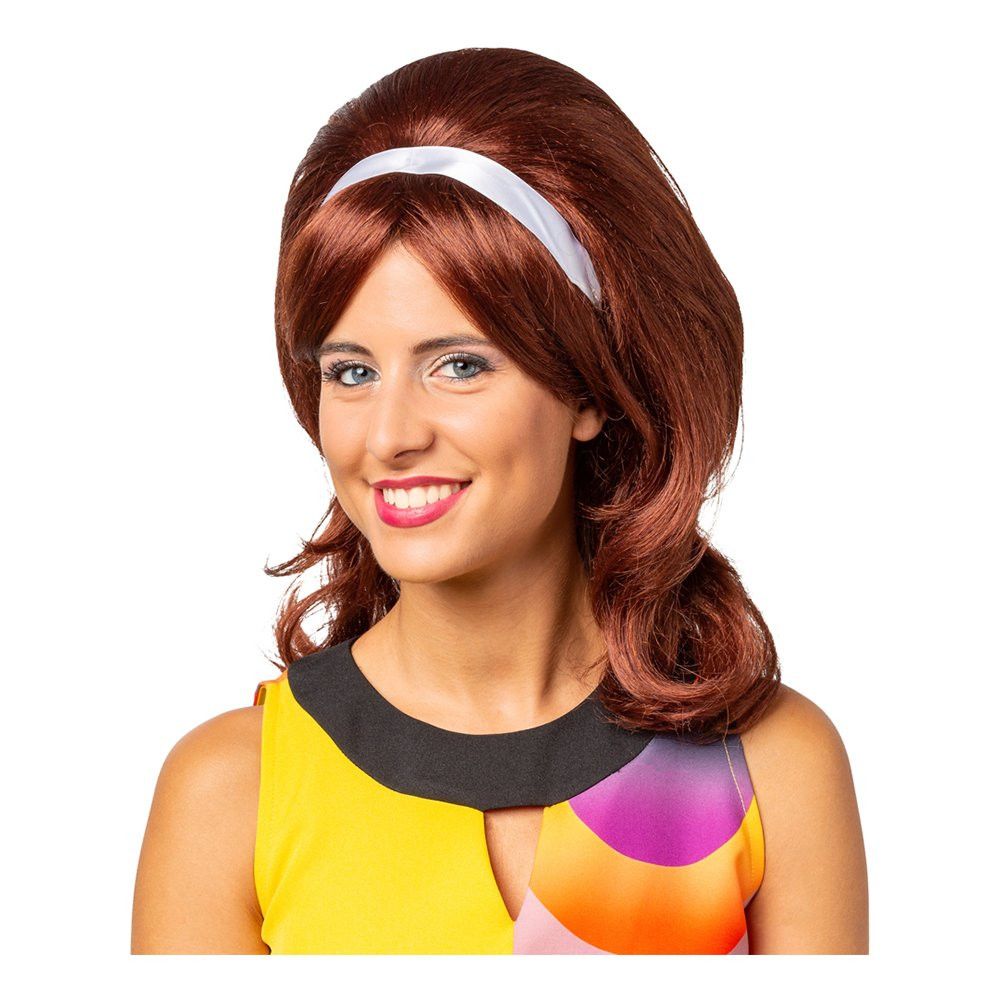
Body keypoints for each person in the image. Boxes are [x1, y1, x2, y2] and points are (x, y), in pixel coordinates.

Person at [131, 47, 867, 955]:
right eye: (351, 372)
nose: (388, 435)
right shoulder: (228, 795)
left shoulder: (771, 768)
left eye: (459, 365)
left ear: (591, 388)